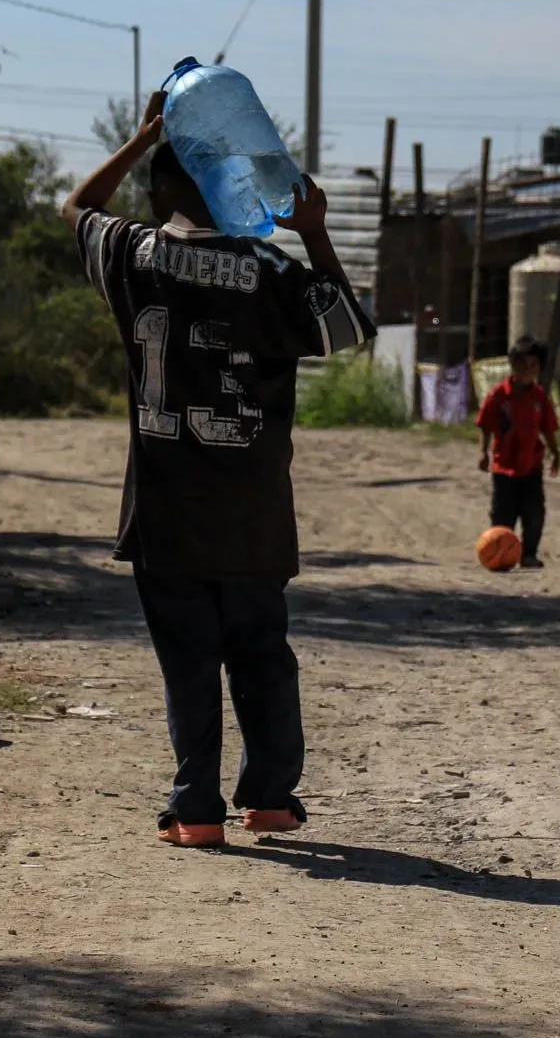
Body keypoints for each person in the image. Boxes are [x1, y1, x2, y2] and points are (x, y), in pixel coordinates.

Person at [60, 91, 375, 850]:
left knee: (189, 661)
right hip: (254, 514)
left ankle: (196, 809)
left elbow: (75, 205)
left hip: (167, 515)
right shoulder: (267, 267)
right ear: (230, 188)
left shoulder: (132, 256)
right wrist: (316, 232)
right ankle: (270, 799)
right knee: (262, 655)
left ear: (160, 190)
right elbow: (350, 329)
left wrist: (142, 136)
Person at [476, 336, 560, 568]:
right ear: (512, 365)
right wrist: (483, 452)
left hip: (531, 466)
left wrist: (556, 454)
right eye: (522, 365)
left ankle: (529, 554)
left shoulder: (540, 397)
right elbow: (485, 425)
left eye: (533, 366)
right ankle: (500, 554)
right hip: (503, 467)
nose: (527, 371)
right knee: (502, 514)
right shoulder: (498, 396)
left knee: (534, 513)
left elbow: (548, 428)